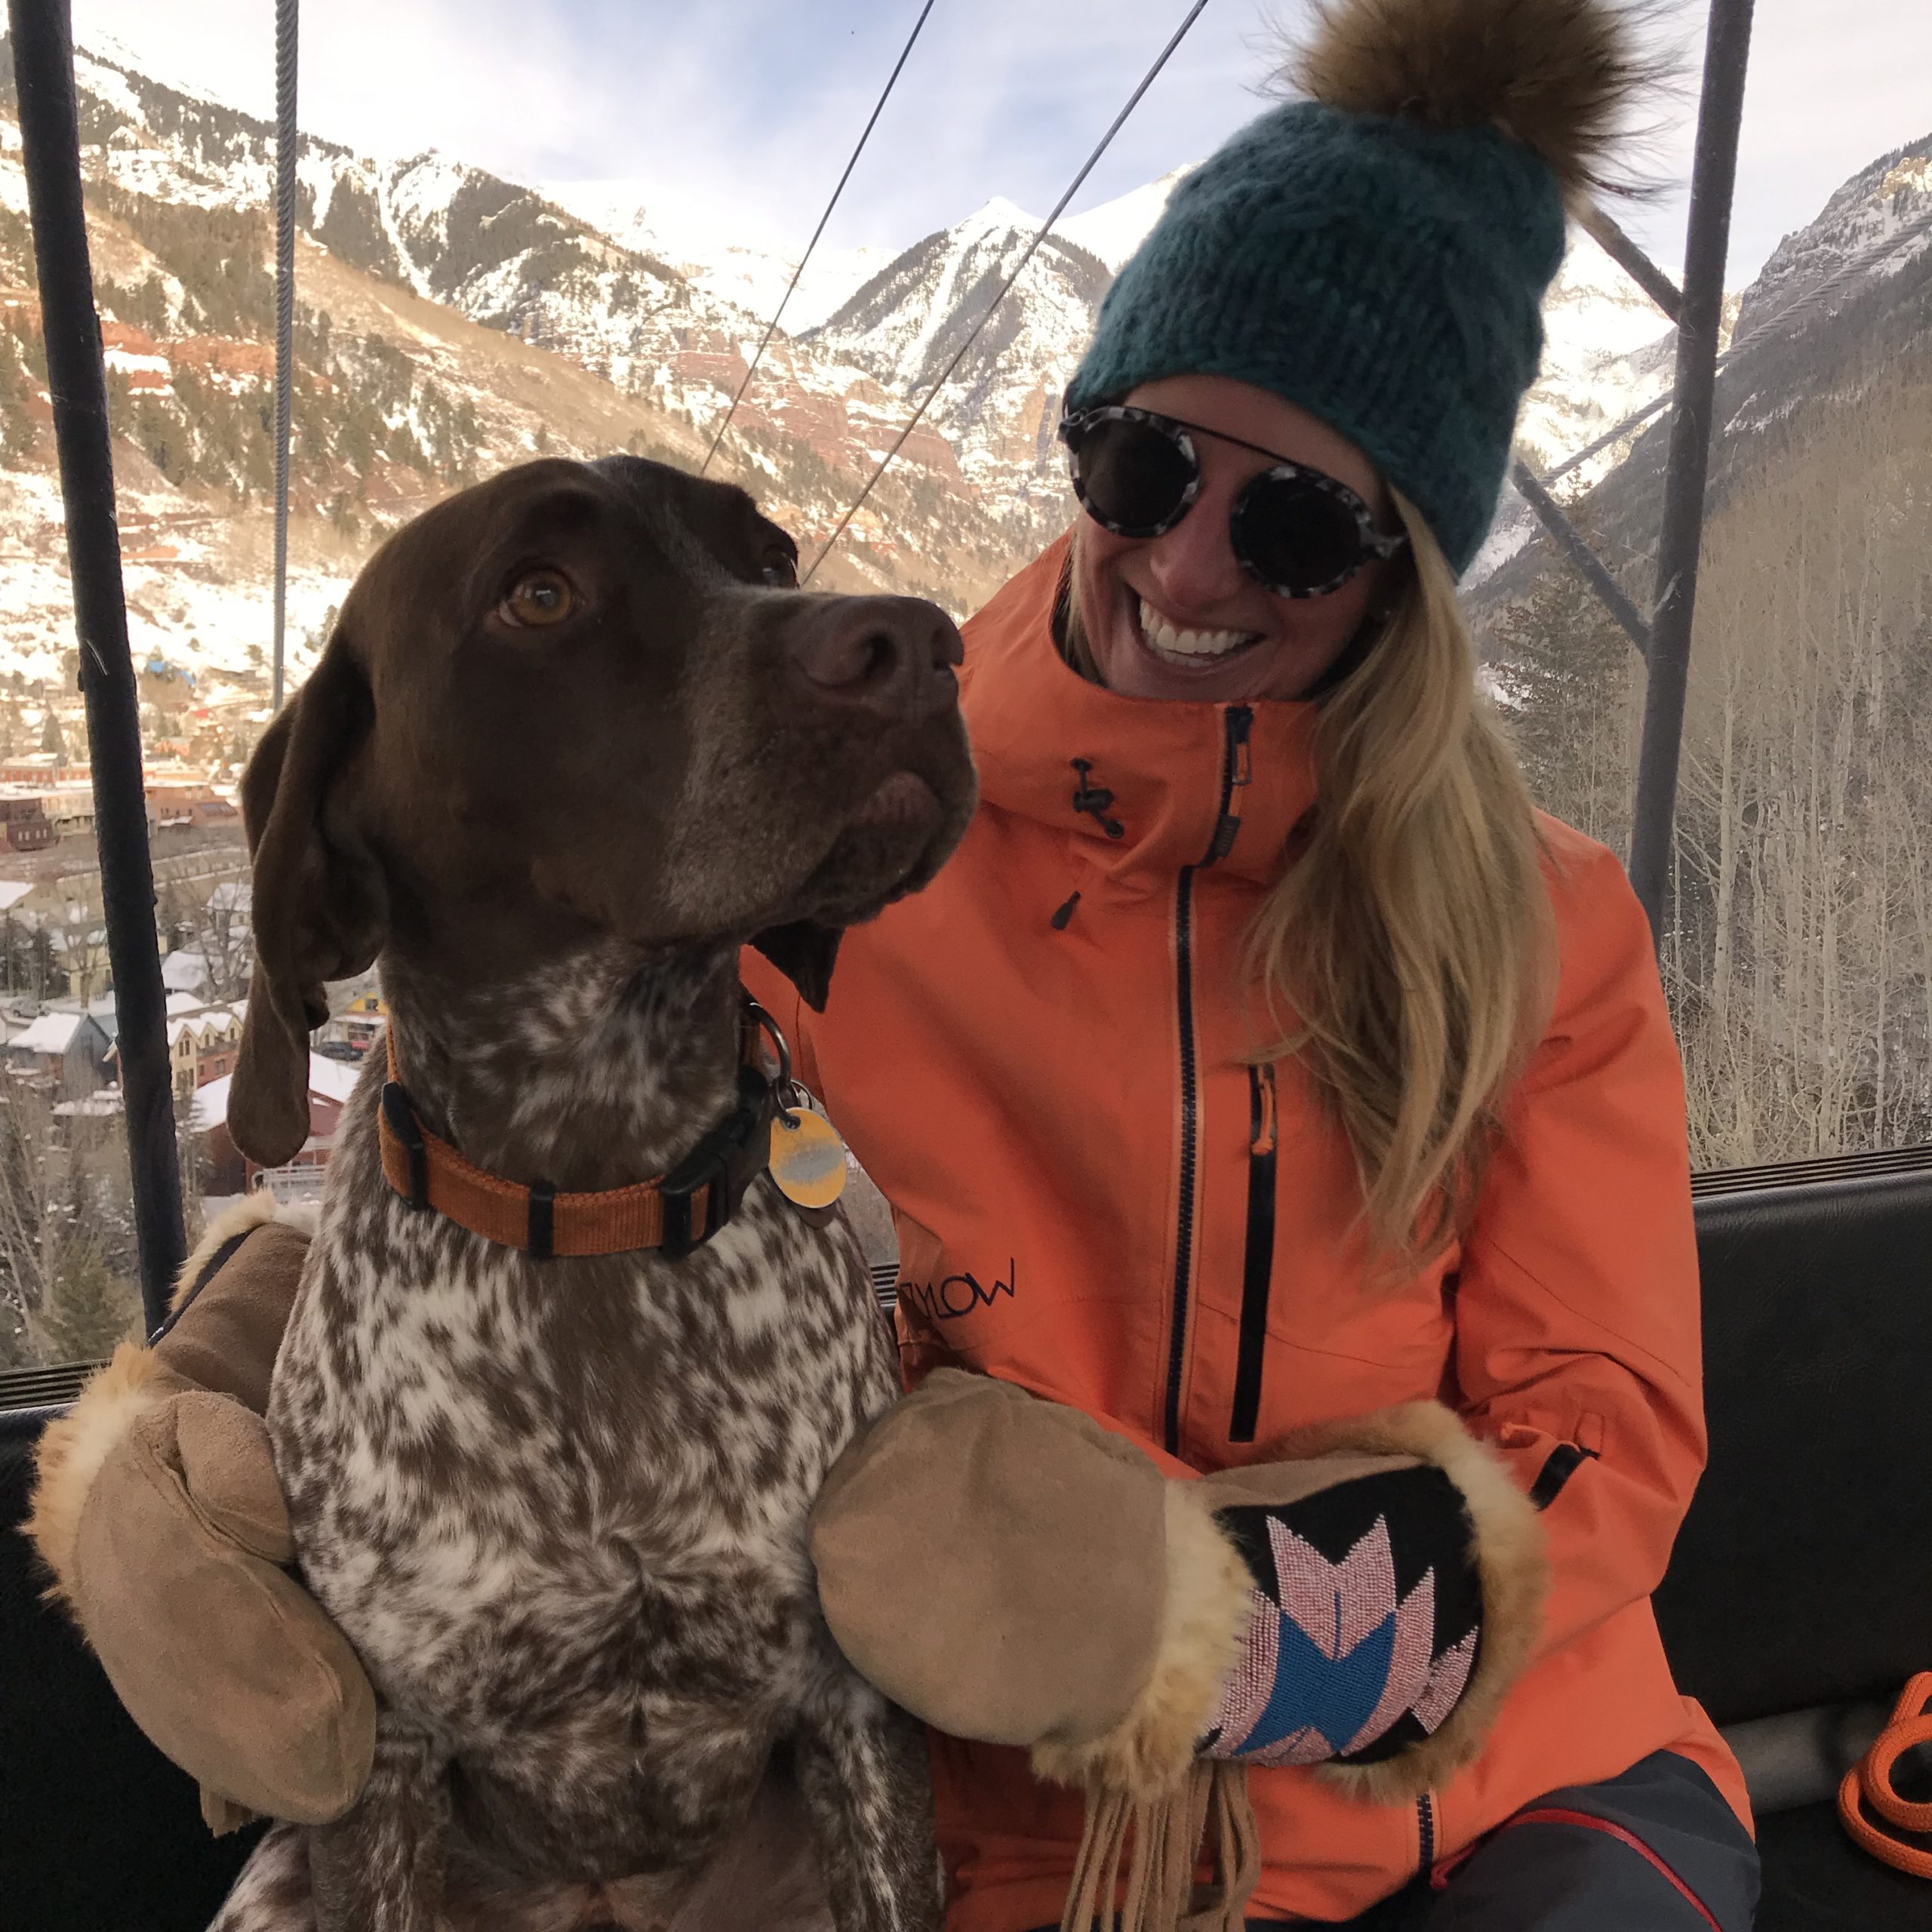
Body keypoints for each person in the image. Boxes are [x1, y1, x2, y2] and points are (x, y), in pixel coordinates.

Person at [29, 1, 1761, 1927]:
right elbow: (539, 1134)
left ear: (1406, 576)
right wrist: (180, 1407)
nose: (1186, 568)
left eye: (1294, 522)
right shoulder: (844, 837)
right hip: (1025, 1849)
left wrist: (1196, 1617)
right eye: (1141, 465)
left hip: (1493, 1799)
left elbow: (1597, 1451)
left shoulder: (1539, 926)